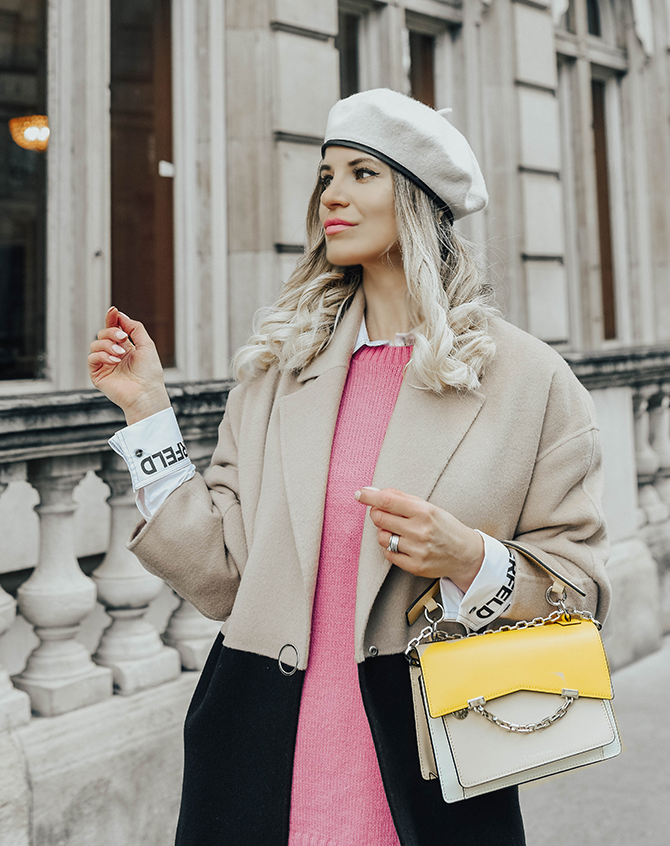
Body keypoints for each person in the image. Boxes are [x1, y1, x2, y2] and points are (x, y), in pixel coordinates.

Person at [88, 89, 610, 846]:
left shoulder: (529, 381)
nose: (331, 194)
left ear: (420, 203)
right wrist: (147, 417)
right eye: (326, 175)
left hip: (433, 764)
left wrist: (471, 559)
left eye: (361, 173)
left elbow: (582, 595)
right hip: (257, 753)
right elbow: (219, 578)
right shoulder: (277, 372)